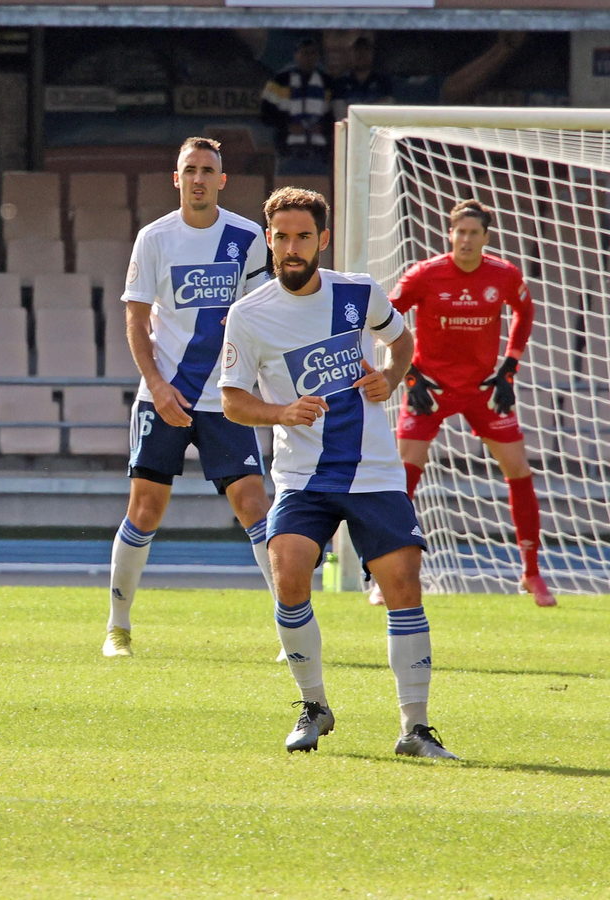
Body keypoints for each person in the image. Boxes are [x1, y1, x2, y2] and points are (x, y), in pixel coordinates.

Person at [220, 186, 457, 760]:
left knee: (403, 585)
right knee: (290, 573)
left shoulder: (358, 293)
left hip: (374, 471)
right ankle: (313, 705)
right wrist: (280, 412)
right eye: (281, 237)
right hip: (304, 476)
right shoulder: (249, 315)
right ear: (269, 240)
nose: (291, 248)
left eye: (303, 236)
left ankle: (416, 728)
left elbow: (401, 341)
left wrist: (391, 376)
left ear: (323, 239)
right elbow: (231, 399)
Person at [104, 137, 275, 658]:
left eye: (209, 170)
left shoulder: (246, 237)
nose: (199, 177)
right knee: (146, 509)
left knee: (253, 505)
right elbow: (135, 319)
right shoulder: (154, 239)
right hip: (165, 397)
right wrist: (156, 386)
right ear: (176, 178)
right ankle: (118, 627)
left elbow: (263, 313)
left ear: (223, 180)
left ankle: (289, 629)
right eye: (190, 169)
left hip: (224, 399)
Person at [386, 199, 552, 607]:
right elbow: (384, 318)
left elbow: (524, 313)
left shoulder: (504, 275)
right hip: (431, 389)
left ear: (486, 238)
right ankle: (385, 575)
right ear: (450, 234)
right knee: (403, 475)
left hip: (483, 389)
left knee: (518, 469)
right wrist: (408, 375)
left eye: (473, 232)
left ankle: (532, 573)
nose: (465, 239)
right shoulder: (424, 275)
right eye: (459, 231)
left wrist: (509, 367)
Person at [261, 37, 332, 175]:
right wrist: (287, 126)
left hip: (319, 154)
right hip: (288, 152)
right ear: (296, 55)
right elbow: (265, 115)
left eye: (312, 53)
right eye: (304, 53)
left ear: (317, 56)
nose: (308, 57)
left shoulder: (327, 82)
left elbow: (335, 116)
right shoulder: (280, 80)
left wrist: (323, 127)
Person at [331, 36, 394, 121]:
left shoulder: (383, 81)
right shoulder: (340, 83)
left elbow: (387, 109)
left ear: (372, 54)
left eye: (365, 51)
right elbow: (340, 115)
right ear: (350, 55)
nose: (361, 55)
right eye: (357, 51)